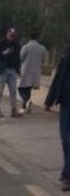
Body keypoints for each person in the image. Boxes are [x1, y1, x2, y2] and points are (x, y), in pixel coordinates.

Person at [44, 45, 70, 192]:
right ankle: (67, 172)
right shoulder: (66, 53)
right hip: (66, 102)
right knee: (66, 139)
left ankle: (67, 176)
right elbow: (59, 77)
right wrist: (49, 100)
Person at [0, 27, 22, 118]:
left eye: (13, 36)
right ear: (7, 35)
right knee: (0, 90)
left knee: (13, 90)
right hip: (2, 69)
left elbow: (17, 58)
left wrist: (18, 69)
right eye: (10, 36)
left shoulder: (17, 45)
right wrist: (5, 53)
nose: (12, 38)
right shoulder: (1, 43)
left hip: (12, 70)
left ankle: (14, 109)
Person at [19, 31, 47, 113]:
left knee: (20, 88)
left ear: (29, 38)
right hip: (36, 72)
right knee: (28, 89)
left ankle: (26, 102)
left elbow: (20, 58)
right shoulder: (42, 48)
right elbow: (44, 60)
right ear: (38, 38)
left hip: (26, 71)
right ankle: (25, 105)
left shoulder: (26, 47)